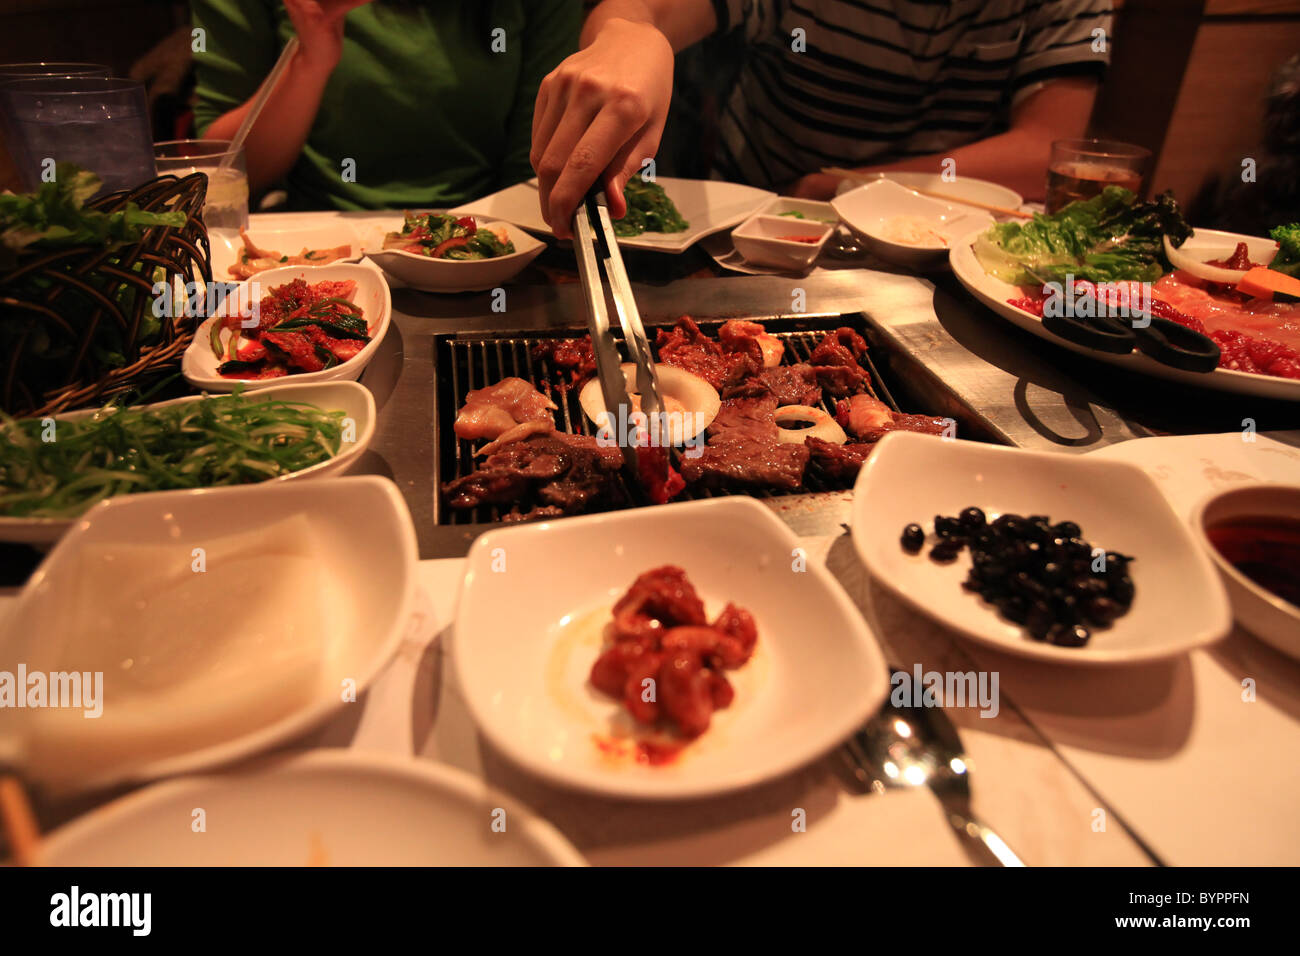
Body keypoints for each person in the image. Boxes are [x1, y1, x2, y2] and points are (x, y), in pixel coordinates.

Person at [532, 0, 1112, 237]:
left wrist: (847, 185)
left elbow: (1046, 152)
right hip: (758, 228)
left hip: (940, 239)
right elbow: (640, 9)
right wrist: (628, 34)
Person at [193, 0, 580, 210]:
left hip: (487, 232)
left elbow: (531, 170)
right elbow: (222, 172)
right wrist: (310, 63)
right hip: (313, 236)